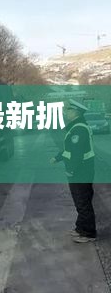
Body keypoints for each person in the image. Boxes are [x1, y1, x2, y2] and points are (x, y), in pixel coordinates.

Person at [50, 99, 96, 243]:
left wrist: (71, 170)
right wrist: (57, 158)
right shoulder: (75, 127)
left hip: (81, 171)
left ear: (76, 112)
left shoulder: (79, 129)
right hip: (81, 171)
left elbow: (77, 153)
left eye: (69, 110)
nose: (66, 112)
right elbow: (69, 149)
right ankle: (80, 228)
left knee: (83, 202)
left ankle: (89, 233)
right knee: (80, 201)